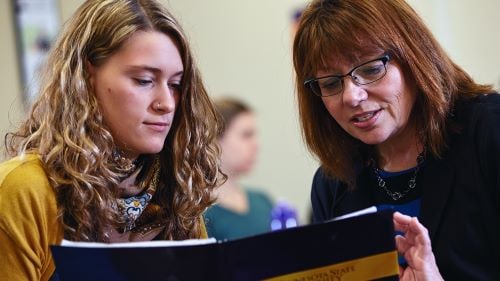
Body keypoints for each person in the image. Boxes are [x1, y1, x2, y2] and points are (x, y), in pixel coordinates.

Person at [0, 0, 224, 280]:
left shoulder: (174, 186)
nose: (167, 103)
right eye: (144, 80)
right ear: (86, 76)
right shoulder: (24, 189)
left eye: (176, 85)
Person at [293, 0, 499, 280]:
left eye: (371, 69)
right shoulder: (332, 184)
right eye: (330, 83)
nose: (352, 96)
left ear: (414, 56)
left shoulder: (489, 131)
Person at [204, 97, 274, 240]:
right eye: (246, 135)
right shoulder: (199, 215)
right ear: (214, 140)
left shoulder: (263, 202)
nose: (256, 145)